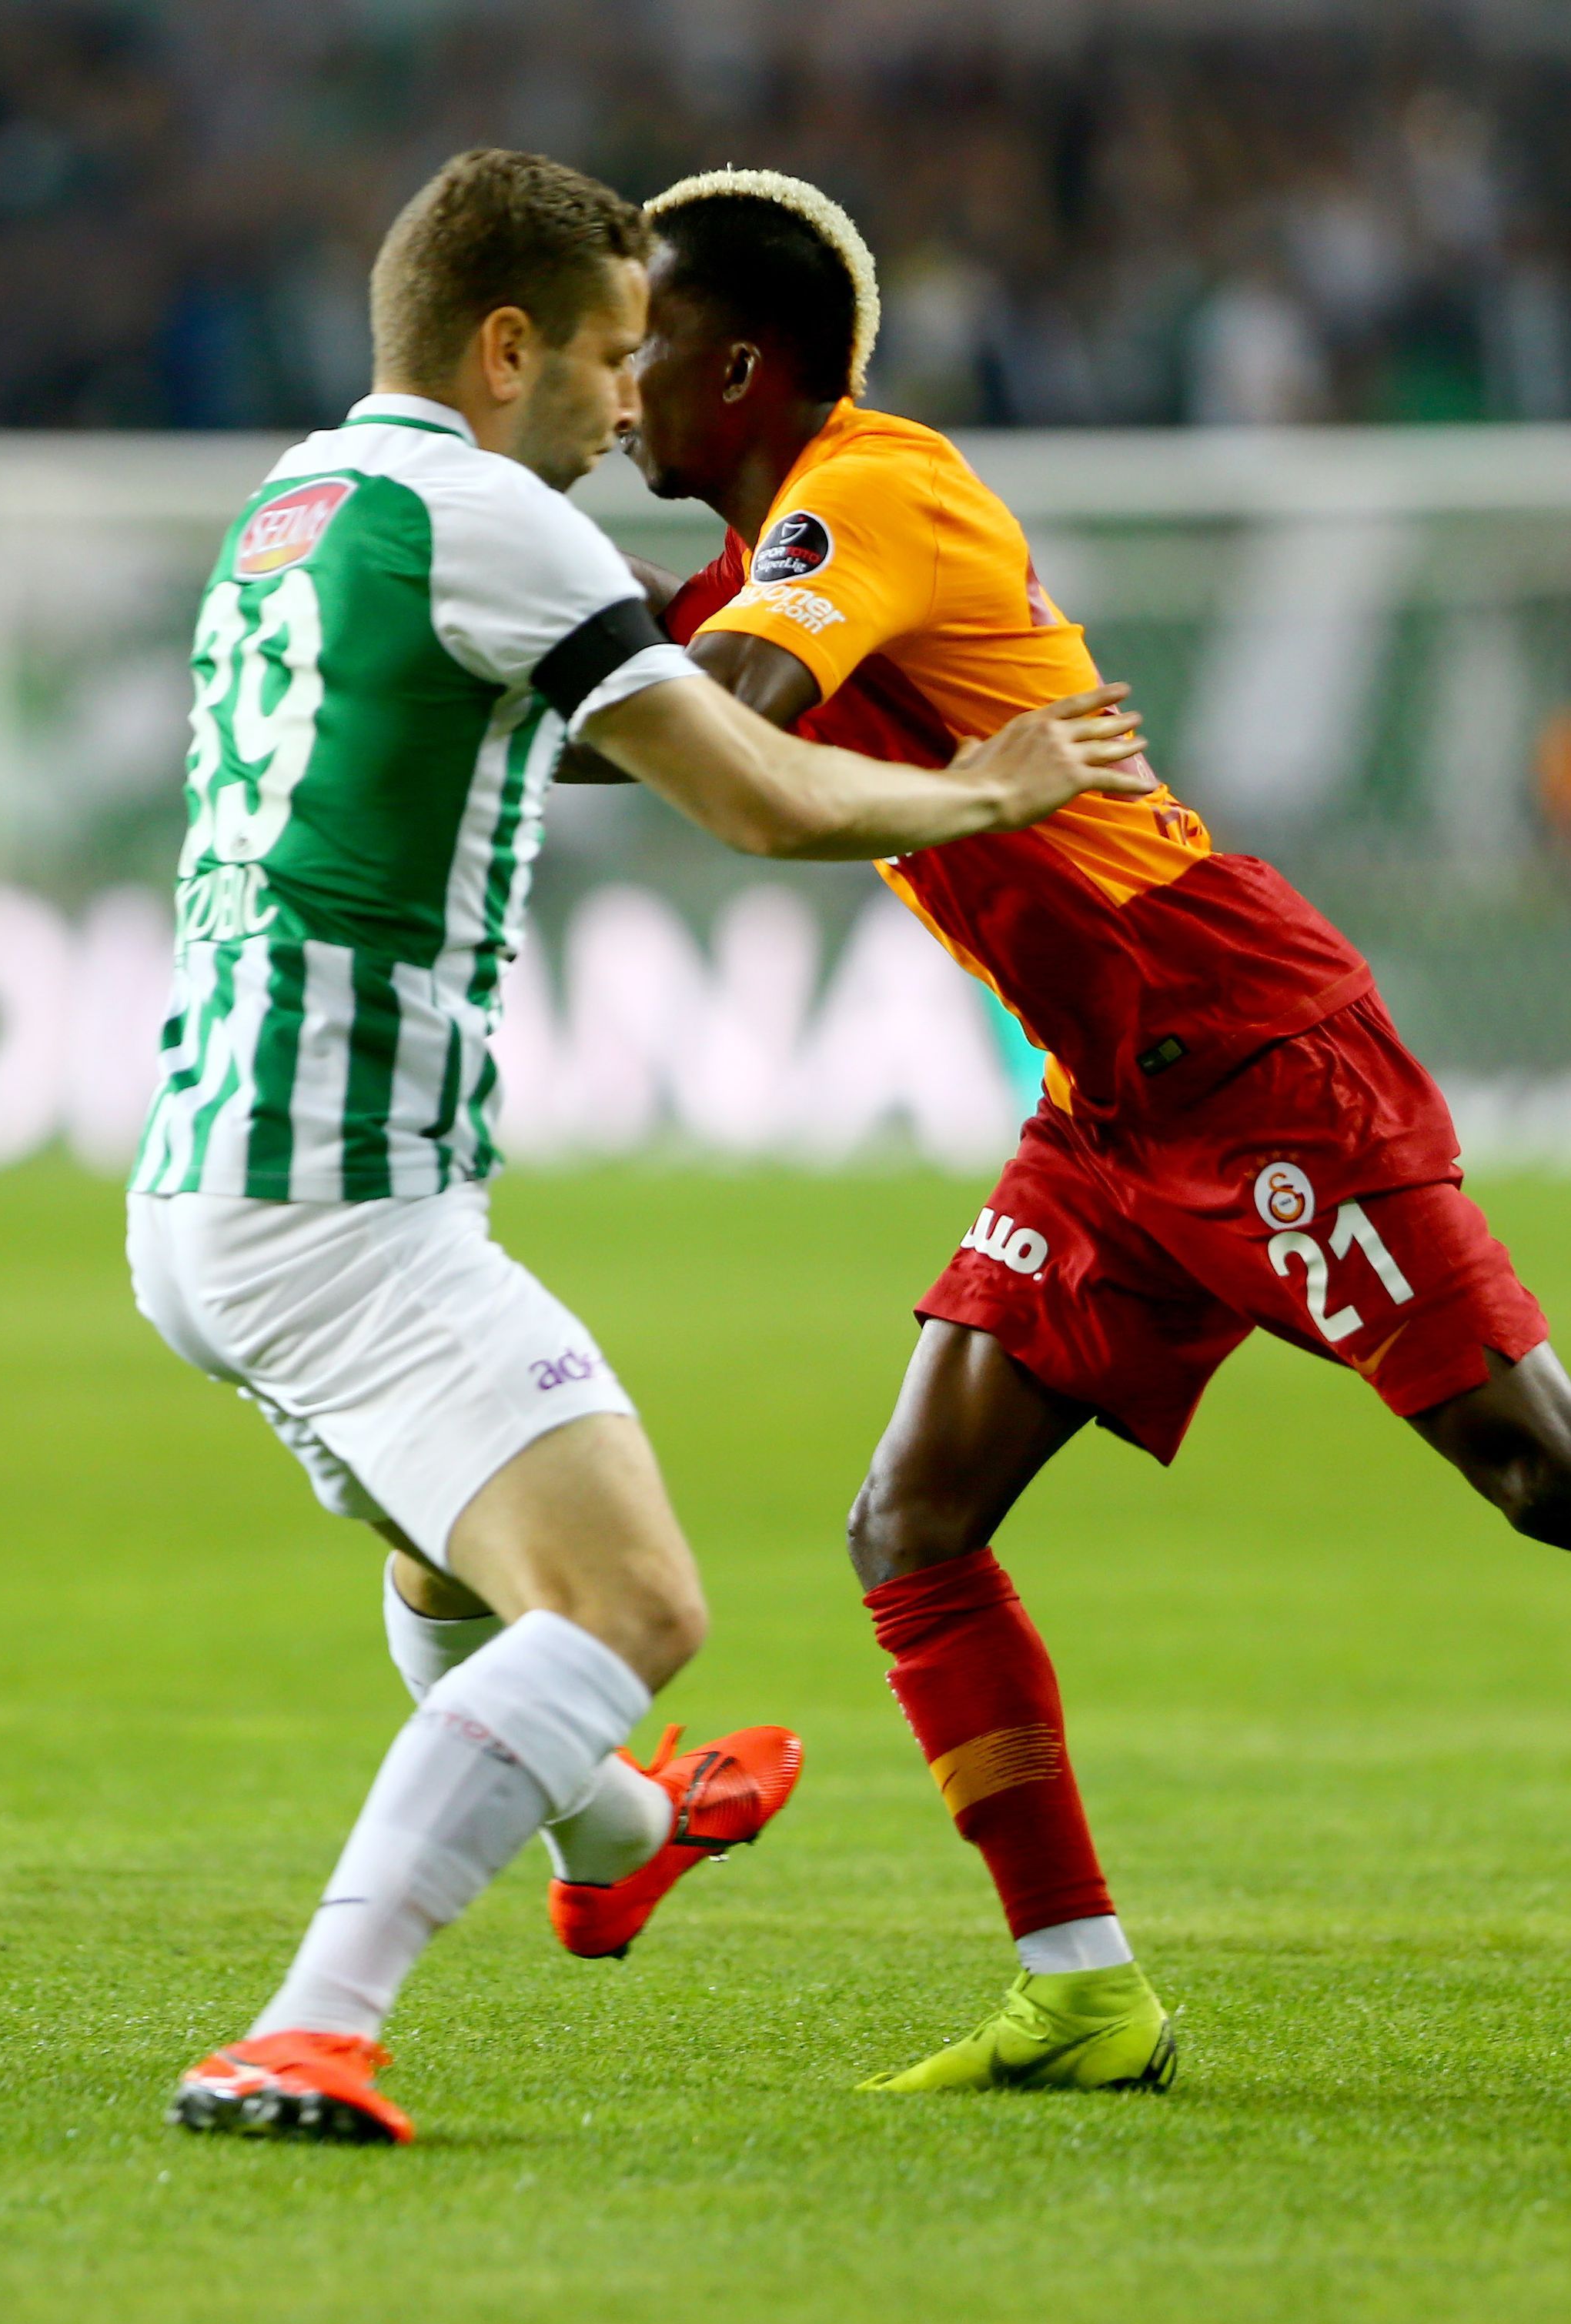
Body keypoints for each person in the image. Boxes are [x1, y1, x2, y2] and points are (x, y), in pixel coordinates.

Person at [613, 168, 1571, 2094]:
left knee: (1542, 1466)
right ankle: (1078, 1982)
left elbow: (721, 717)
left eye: (638, 342)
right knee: (909, 1519)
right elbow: (641, 718)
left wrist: (577, 661)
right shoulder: (745, 559)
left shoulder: (866, 488)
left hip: (1238, 1038)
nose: (616, 381)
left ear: (740, 365)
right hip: (1104, 1095)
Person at [143, 149, 1152, 2149]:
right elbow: (756, 799)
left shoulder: (295, 500)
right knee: (630, 1610)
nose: (630, 401)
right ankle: (306, 2026)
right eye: (609, 355)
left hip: (203, 1181)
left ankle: (611, 1836)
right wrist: (986, 789)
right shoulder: (491, 520)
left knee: (457, 1555)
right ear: (502, 346)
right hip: (339, 1199)